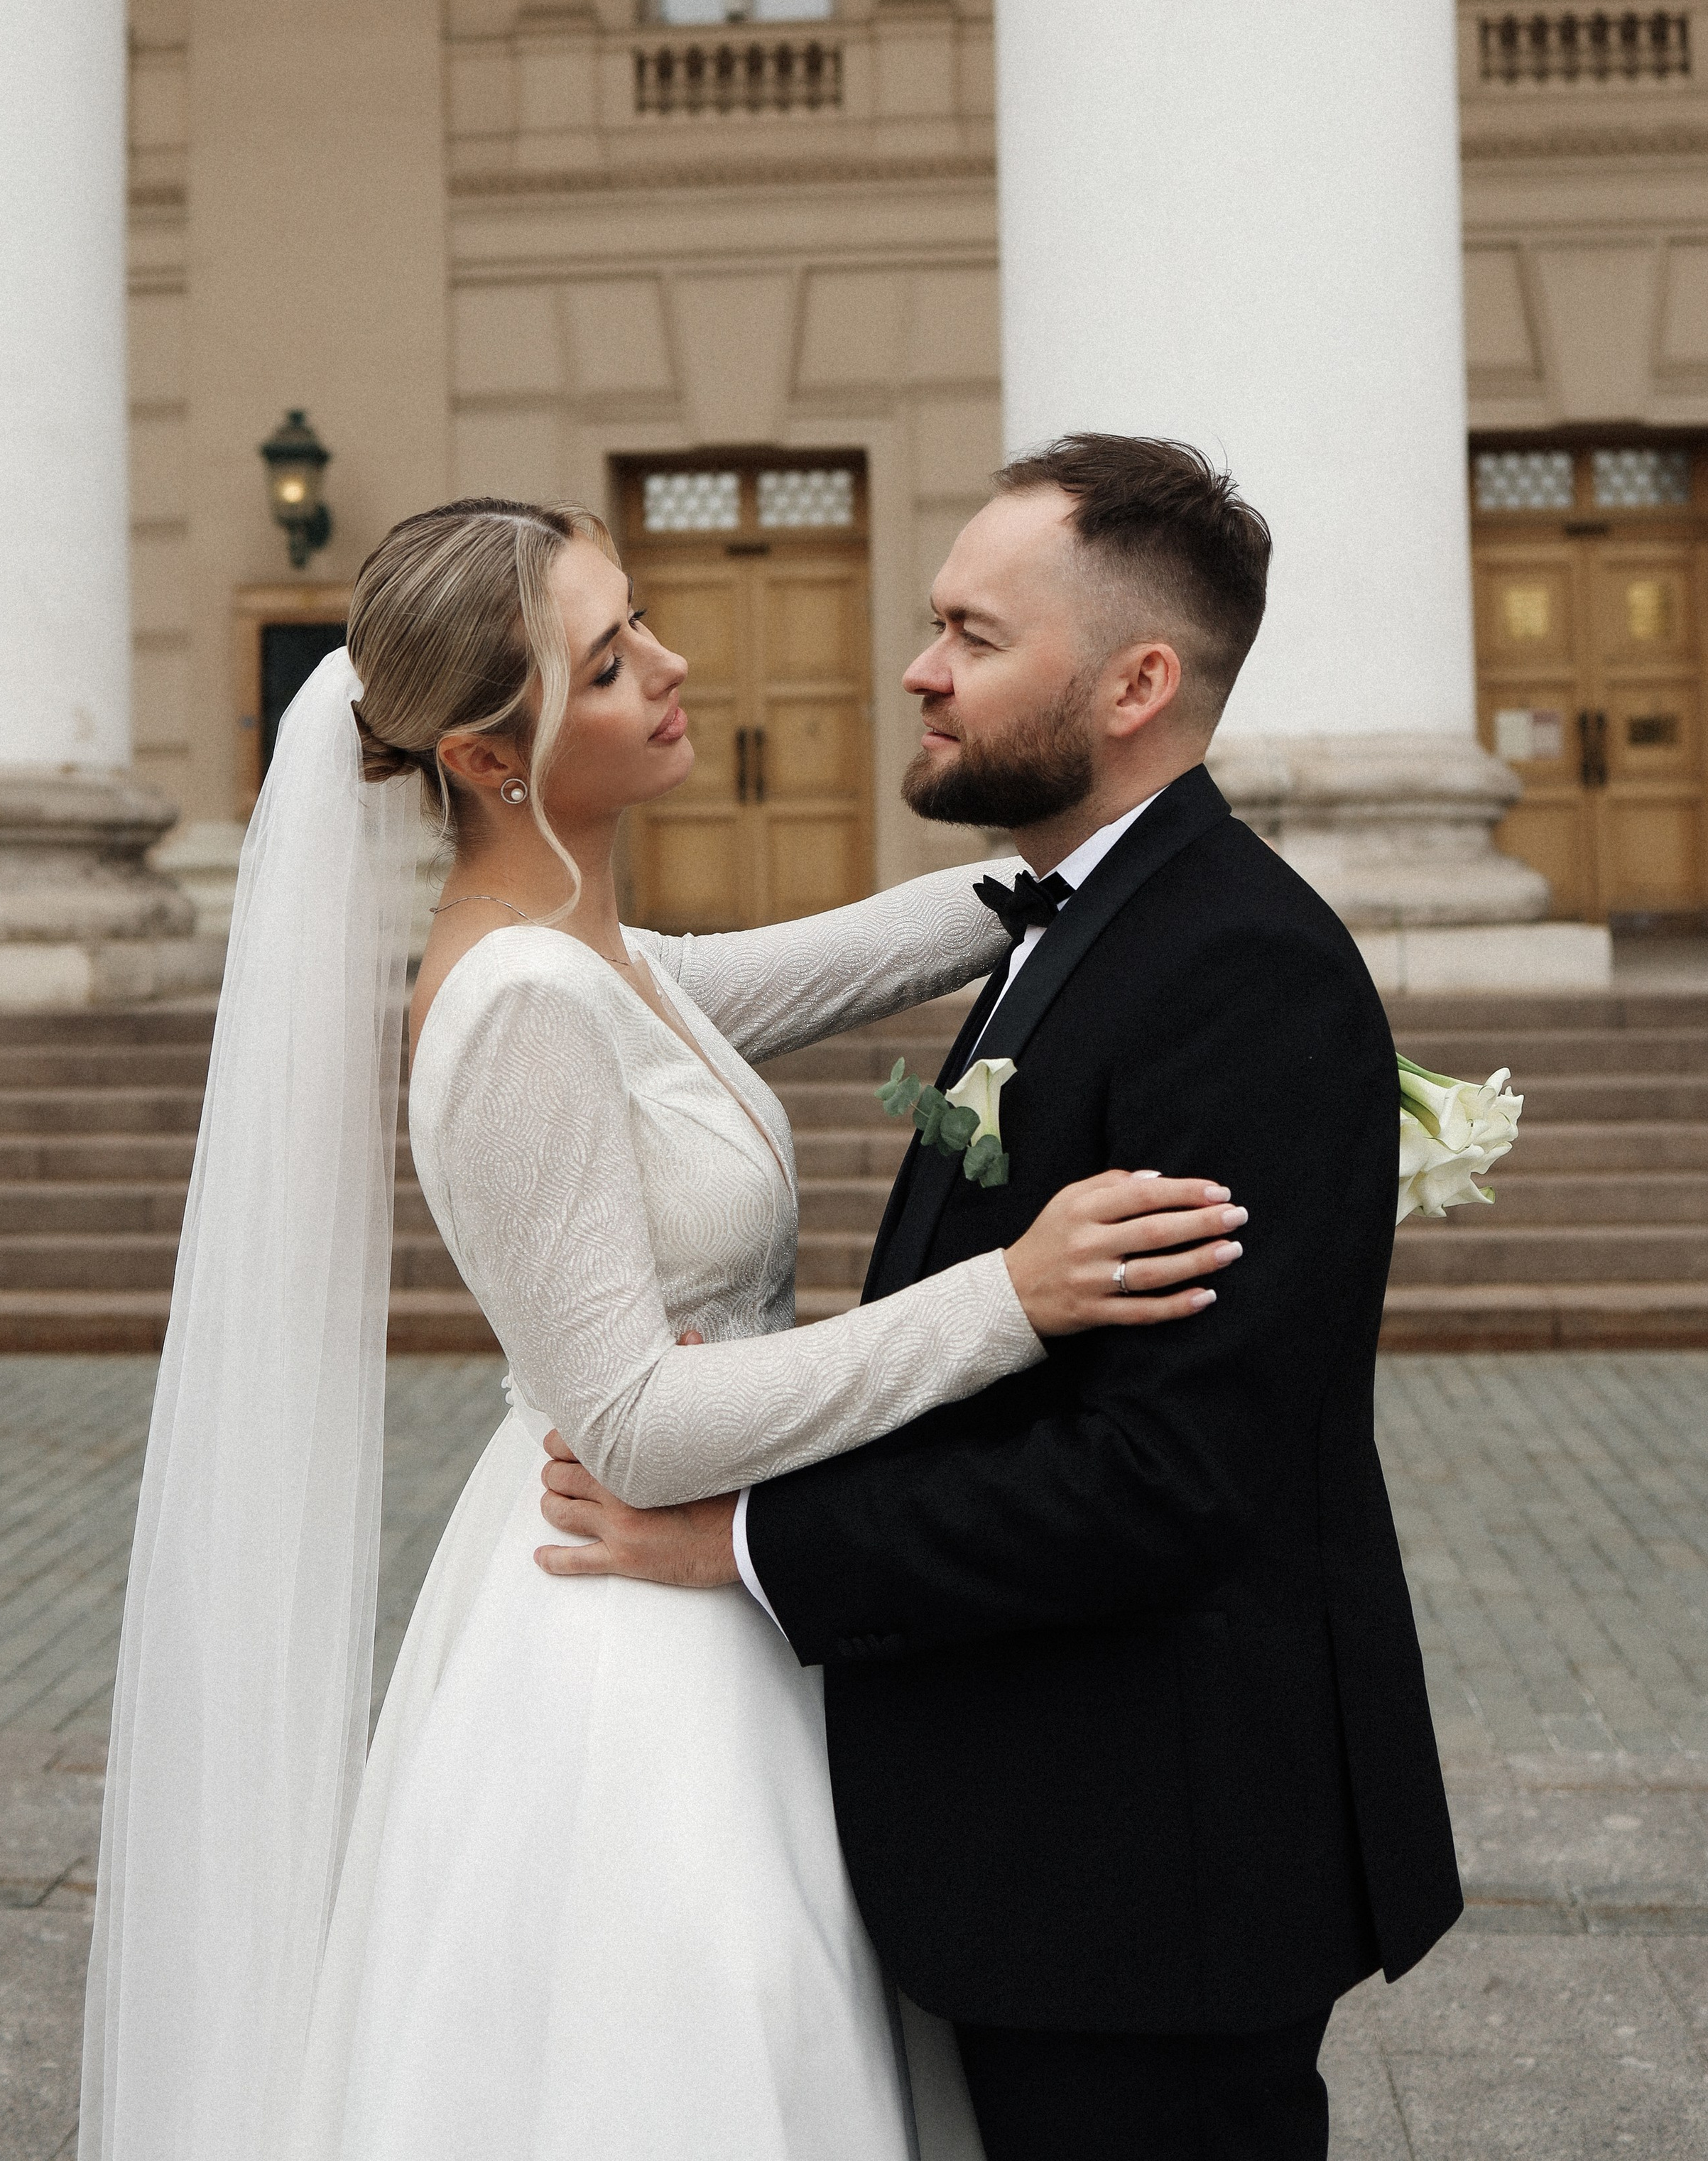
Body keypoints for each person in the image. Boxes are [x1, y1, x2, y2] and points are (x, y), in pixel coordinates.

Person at [80, 490, 1243, 2161]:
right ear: (492, 758)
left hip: (733, 1594)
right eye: (614, 661)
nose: (674, 665)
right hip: (625, 1634)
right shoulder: (513, 1008)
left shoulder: (597, 955)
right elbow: (623, 1425)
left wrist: (1087, 863)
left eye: (641, 625)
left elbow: (824, 964)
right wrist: (1007, 1295)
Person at [538, 437, 1465, 2161]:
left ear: (1135, 682)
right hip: (1052, 1837)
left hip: (1147, 1864)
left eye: (971, 632)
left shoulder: (1233, 970)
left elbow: (1169, 1479)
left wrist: (744, 1540)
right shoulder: (1071, 915)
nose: (916, 666)